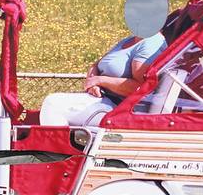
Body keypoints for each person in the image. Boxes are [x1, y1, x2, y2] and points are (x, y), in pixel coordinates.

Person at [39, 31, 167, 127]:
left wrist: (101, 81)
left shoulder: (151, 43)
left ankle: (57, 155)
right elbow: (98, 64)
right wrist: (93, 83)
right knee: (53, 102)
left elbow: (141, 88)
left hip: (120, 110)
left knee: (53, 104)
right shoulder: (131, 39)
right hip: (104, 99)